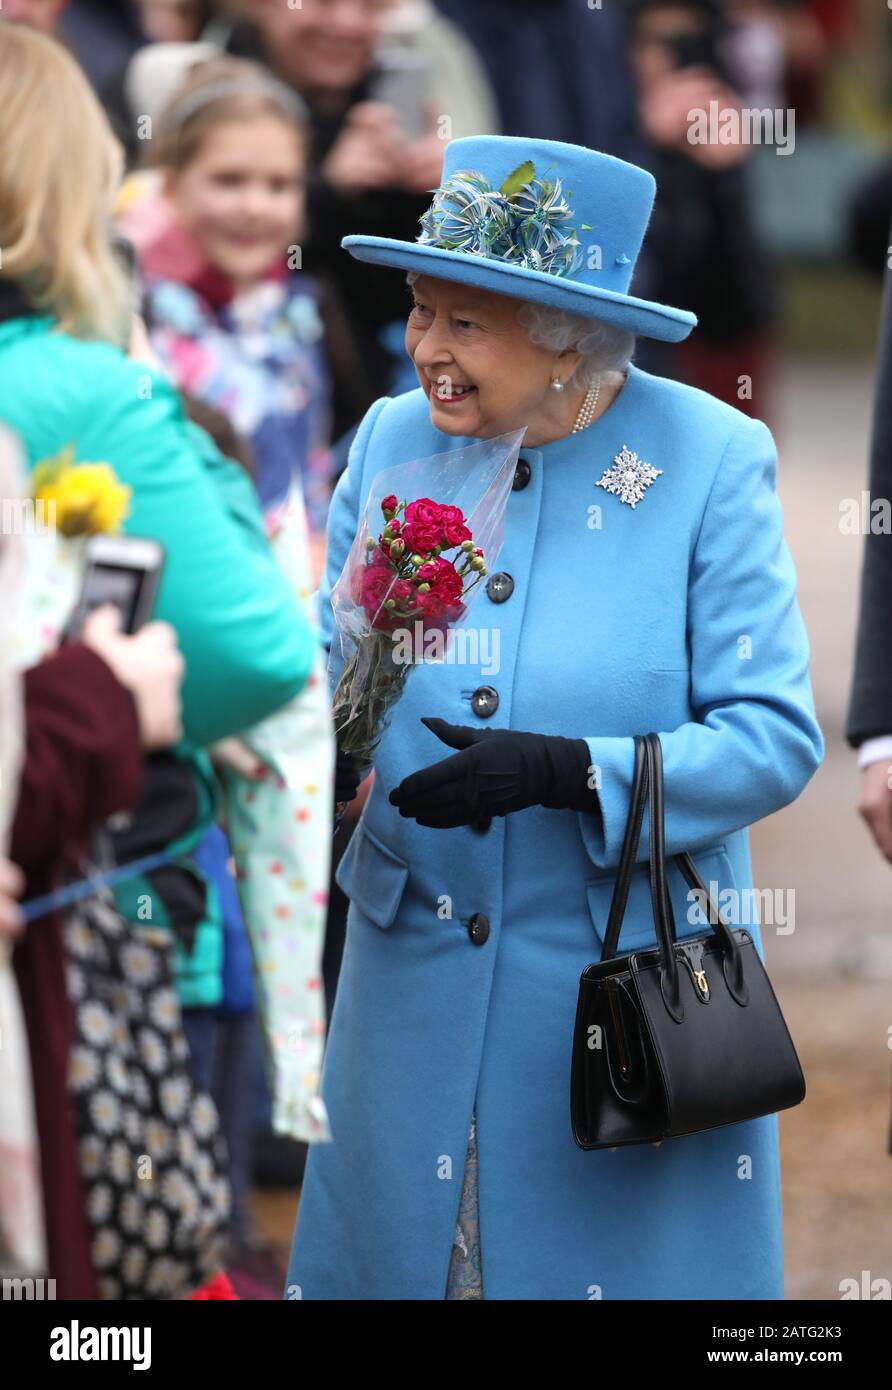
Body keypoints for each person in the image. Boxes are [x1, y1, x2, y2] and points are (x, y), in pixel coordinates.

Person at [286, 133, 824, 1300]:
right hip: (409, 975)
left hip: (611, 995)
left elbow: (773, 736)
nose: (424, 348)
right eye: (420, 312)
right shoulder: (390, 440)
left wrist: (574, 772)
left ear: (568, 331)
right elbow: (333, 668)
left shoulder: (708, 461)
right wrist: (312, 746)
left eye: (464, 324)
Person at [0, 23, 316, 1032]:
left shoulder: (290, 314)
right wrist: (143, 384)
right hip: (79, 895)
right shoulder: (82, 380)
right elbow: (257, 651)